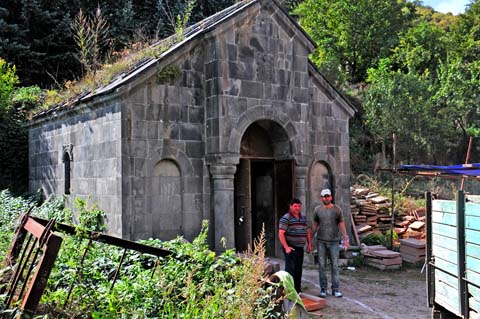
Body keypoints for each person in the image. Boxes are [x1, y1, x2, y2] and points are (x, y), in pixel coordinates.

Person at [311, 189, 349, 298]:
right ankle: (323, 289)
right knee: (322, 266)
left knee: (335, 266)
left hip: (334, 242)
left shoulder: (337, 210)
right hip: (321, 241)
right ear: (321, 198)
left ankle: (335, 289)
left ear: (331, 197)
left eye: (327, 196)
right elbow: (315, 225)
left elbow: (342, 224)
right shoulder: (317, 210)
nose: (326, 198)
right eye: (324, 196)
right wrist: (309, 239)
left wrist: (345, 239)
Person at [278, 198, 312, 293]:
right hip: (290, 247)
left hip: (300, 247)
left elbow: (307, 231)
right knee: (290, 270)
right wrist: (286, 247)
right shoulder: (286, 218)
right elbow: (281, 233)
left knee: (298, 269)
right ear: (290, 206)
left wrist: (309, 244)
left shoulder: (303, 217)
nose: (297, 208)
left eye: (299, 206)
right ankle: (289, 291)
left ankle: (297, 290)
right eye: (295, 206)